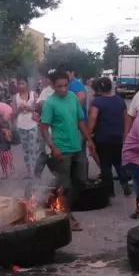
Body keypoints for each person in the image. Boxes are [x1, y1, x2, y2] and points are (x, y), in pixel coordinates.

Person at [39, 70, 97, 232]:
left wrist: (89, 140)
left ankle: (51, 201)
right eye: (59, 87)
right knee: (67, 185)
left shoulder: (72, 97)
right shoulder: (50, 104)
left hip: (77, 147)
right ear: (53, 86)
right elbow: (44, 129)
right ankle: (67, 216)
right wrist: (53, 148)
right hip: (61, 150)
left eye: (65, 85)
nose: (63, 89)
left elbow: (80, 121)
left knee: (81, 181)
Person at [88, 76, 130, 197]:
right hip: (118, 137)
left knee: (105, 164)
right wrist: (125, 133)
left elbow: (93, 119)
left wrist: (89, 134)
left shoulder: (97, 102)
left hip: (103, 137)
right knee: (118, 162)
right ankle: (124, 184)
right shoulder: (120, 100)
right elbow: (126, 117)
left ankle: (109, 191)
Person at [12, 76, 40, 179]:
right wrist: (19, 109)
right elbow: (13, 114)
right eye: (19, 84)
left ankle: (34, 170)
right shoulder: (15, 97)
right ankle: (29, 171)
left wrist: (30, 108)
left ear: (27, 84)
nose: (21, 86)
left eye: (23, 83)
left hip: (32, 124)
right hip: (21, 126)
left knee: (32, 148)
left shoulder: (33, 94)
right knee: (26, 150)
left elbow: (38, 109)